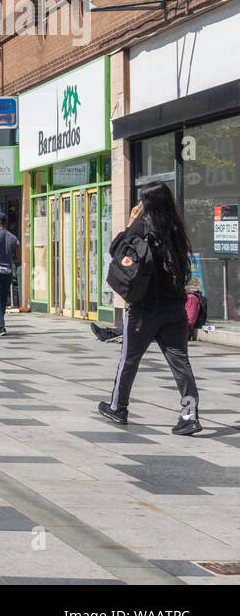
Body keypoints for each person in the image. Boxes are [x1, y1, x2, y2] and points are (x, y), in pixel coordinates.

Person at [98, 182, 202, 435]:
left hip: (144, 311)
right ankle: (190, 415)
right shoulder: (177, 230)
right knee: (180, 364)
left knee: (129, 360)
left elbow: (116, 250)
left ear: (148, 204)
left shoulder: (143, 228)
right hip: (175, 309)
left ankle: (118, 408)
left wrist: (130, 223)